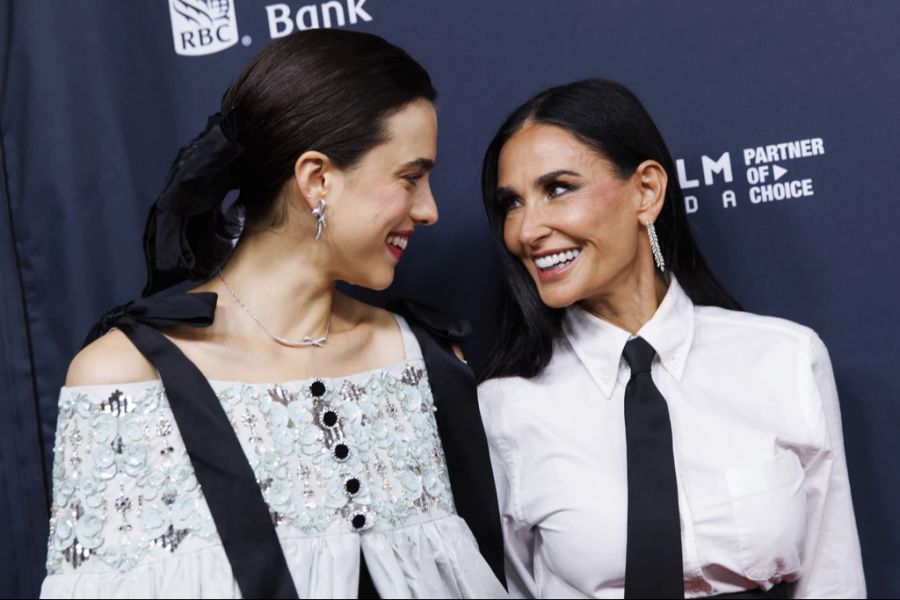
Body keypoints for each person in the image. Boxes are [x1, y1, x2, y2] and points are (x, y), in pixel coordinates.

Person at [41, 30, 505, 599]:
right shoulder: (124, 378)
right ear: (317, 180)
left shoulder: (425, 359)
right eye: (410, 177)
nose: (429, 209)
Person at [477, 79, 865, 599]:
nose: (525, 230)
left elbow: (832, 576)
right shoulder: (503, 407)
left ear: (647, 191)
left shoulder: (784, 359)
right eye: (512, 203)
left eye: (558, 189)